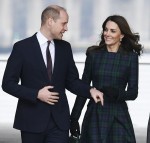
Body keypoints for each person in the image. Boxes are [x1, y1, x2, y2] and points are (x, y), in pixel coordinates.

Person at [1, 5, 103, 143]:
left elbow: (72, 81)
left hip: (59, 122)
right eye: (64, 23)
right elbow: (7, 84)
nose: (66, 28)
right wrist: (36, 94)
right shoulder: (22, 48)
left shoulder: (65, 48)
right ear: (50, 21)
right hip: (31, 121)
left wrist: (90, 90)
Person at [70, 15, 143, 143]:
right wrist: (74, 117)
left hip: (118, 115)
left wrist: (117, 94)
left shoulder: (130, 58)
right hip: (96, 115)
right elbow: (84, 88)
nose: (107, 34)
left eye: (112, 31)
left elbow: (133, 93)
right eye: (105, 29)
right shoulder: (93, 55)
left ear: (121, 35)